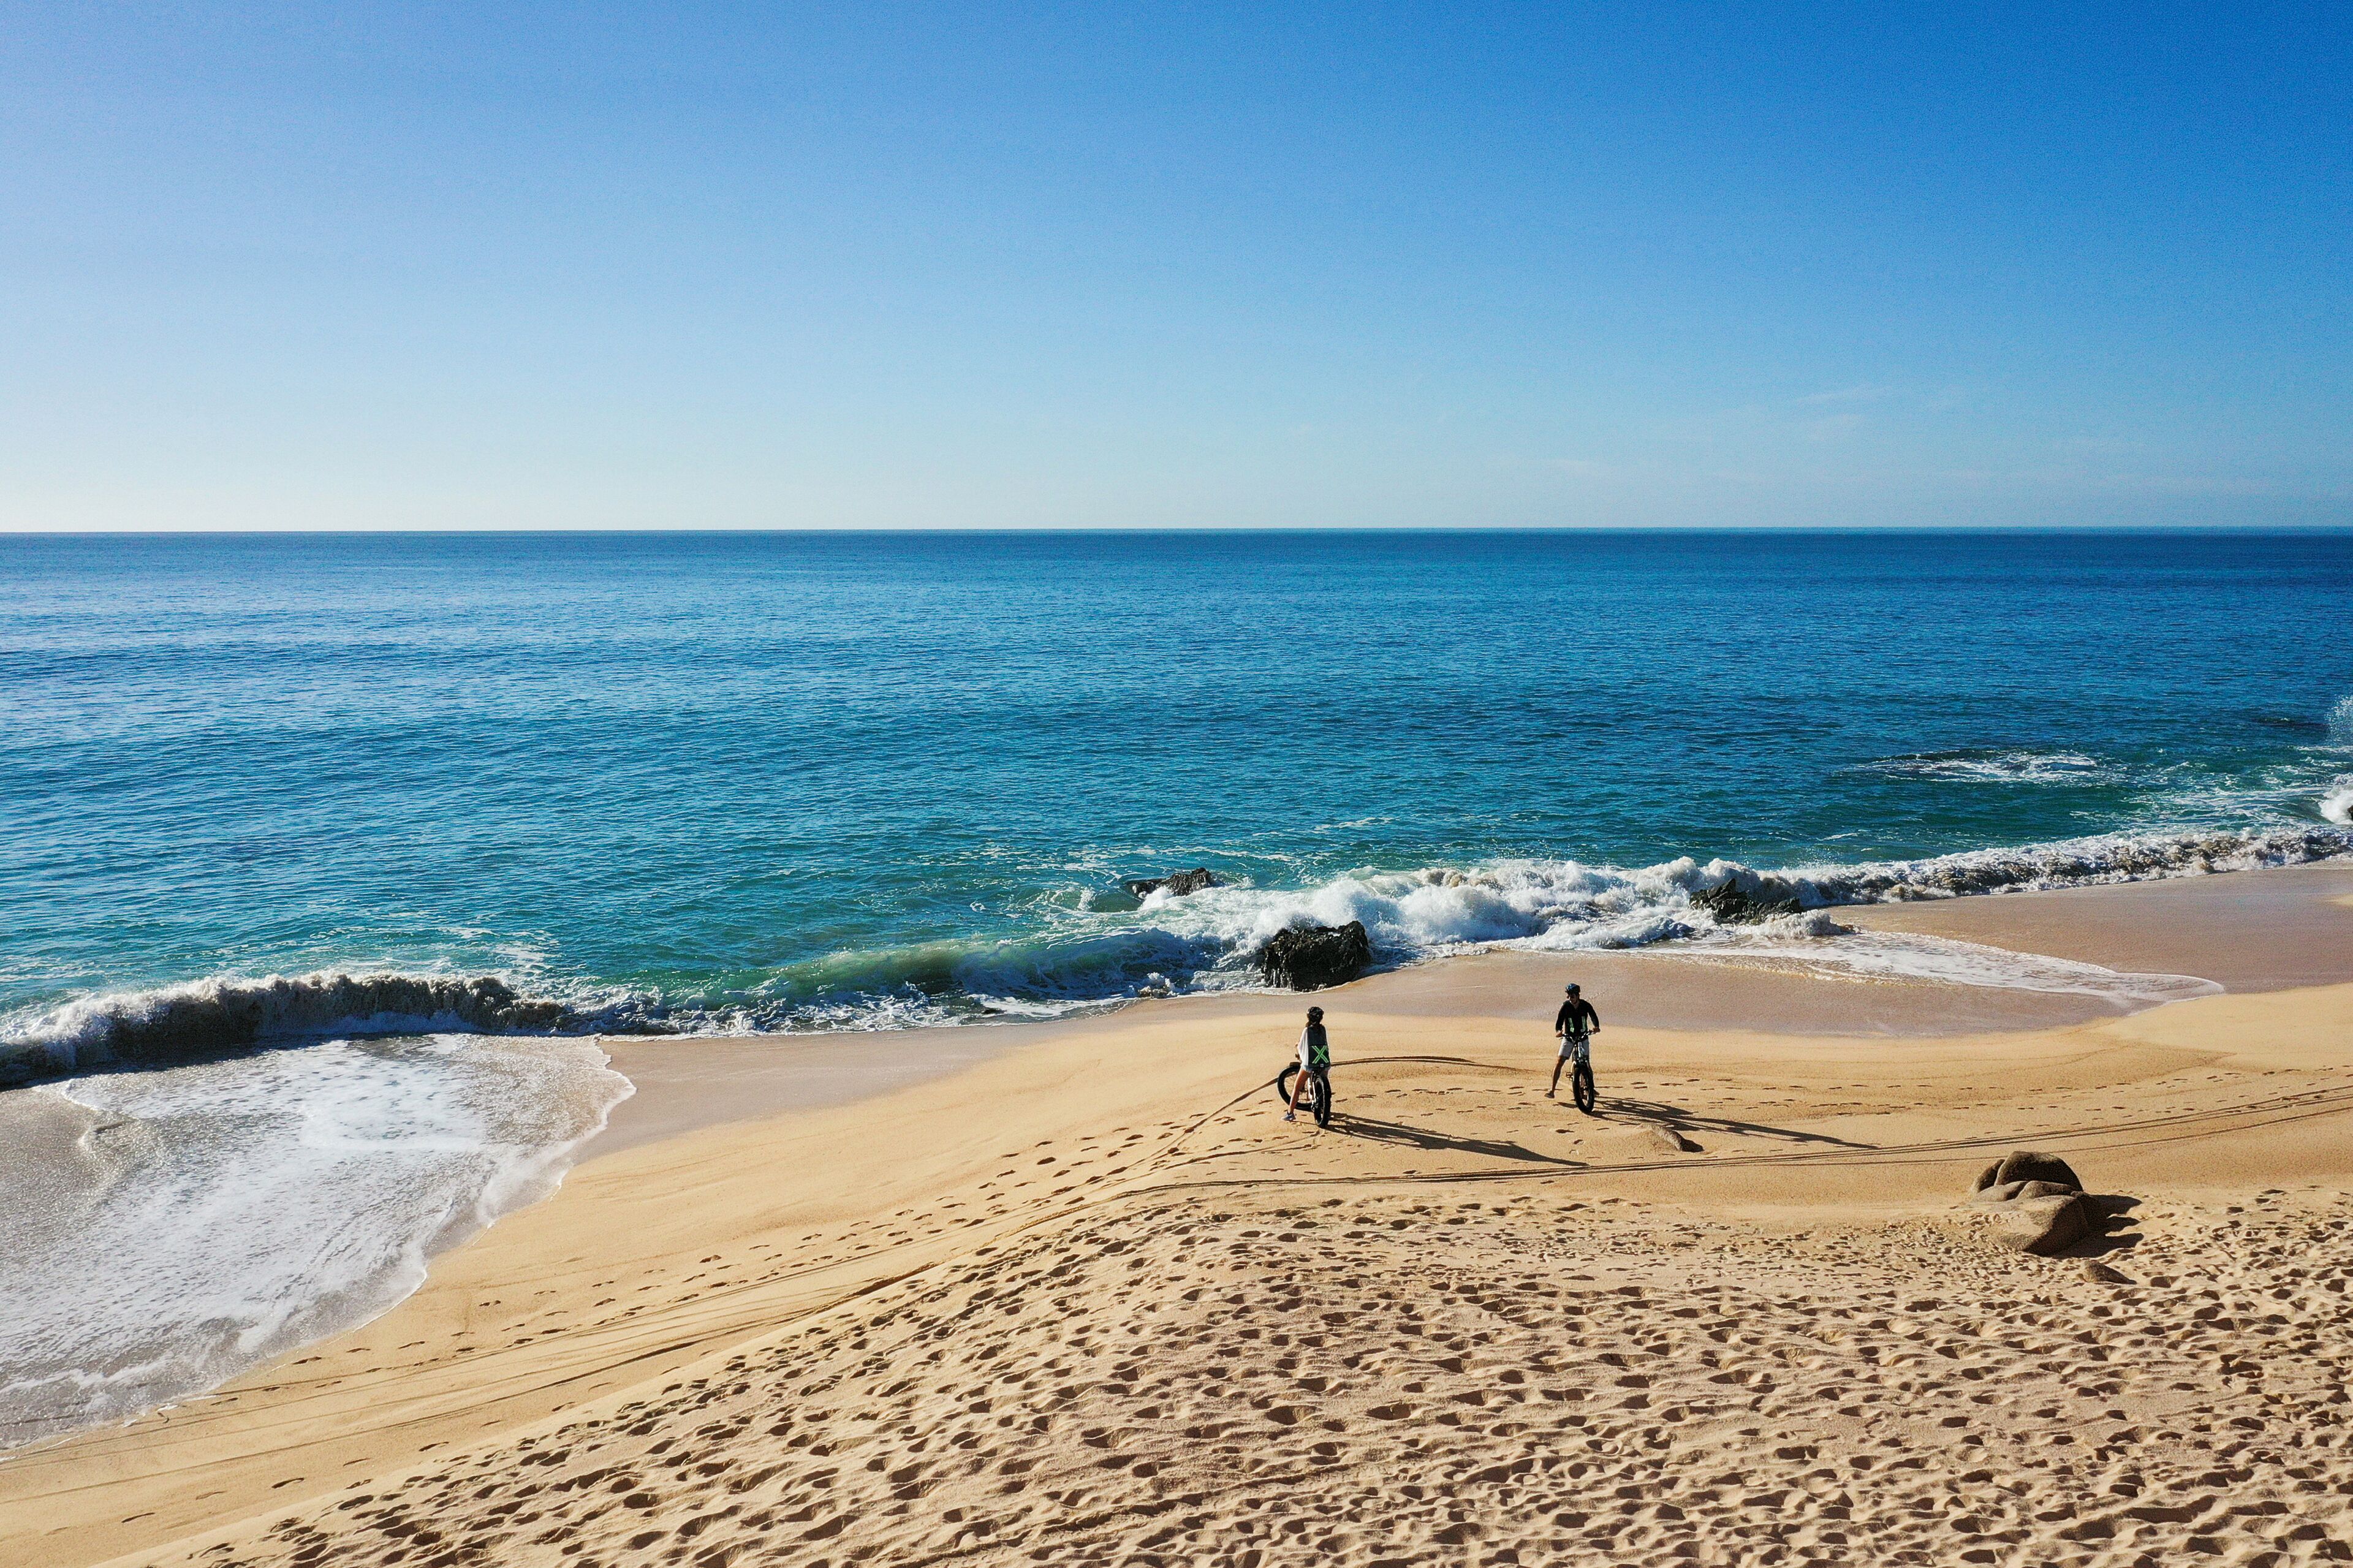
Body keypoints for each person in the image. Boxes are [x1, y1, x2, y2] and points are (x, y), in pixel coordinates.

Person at [1548, 982, 1601, 1100]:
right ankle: (1552, 1090)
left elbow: (1593, 1017)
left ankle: (1590, 1087)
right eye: (1568, 996)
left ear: (1578, 996)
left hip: (1583, 1037)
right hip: (1569, 1037)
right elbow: (1559, 1022)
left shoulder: (1586, 1005)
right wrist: (1559, 1031)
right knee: (1559, 1061)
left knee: (1586, 1063)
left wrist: (1596, 1027)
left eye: (1572, 996)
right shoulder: (1566, 1006)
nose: (1570, 999)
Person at [1285, 1005, 1333, 1125]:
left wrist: (1297, 1046)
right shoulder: (1323, 1029)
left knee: (1297, 1087)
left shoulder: (1307, 1030)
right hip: (1324, 1062)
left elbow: (1302, 1046)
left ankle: (1290, 1114)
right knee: (1320, 1085)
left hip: (1310, 1063)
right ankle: (1323, 1107)